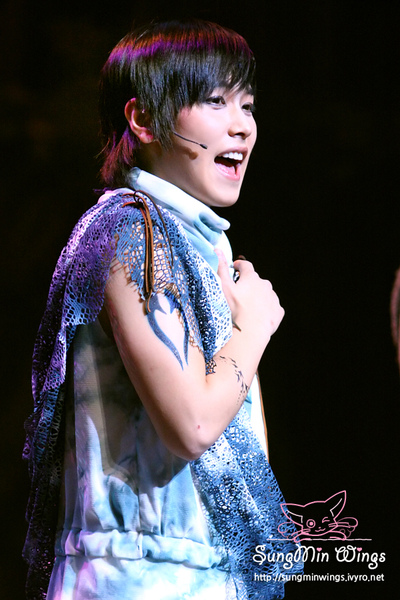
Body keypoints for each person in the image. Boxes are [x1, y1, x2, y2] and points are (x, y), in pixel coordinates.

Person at [23, 19, 302, 600]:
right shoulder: (130, 230)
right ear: (143, 119)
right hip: (139, 579)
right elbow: (192, 424)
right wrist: (253, 326)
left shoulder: (194, 245)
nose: (242, 125)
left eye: (247, 105)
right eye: (215, 101)